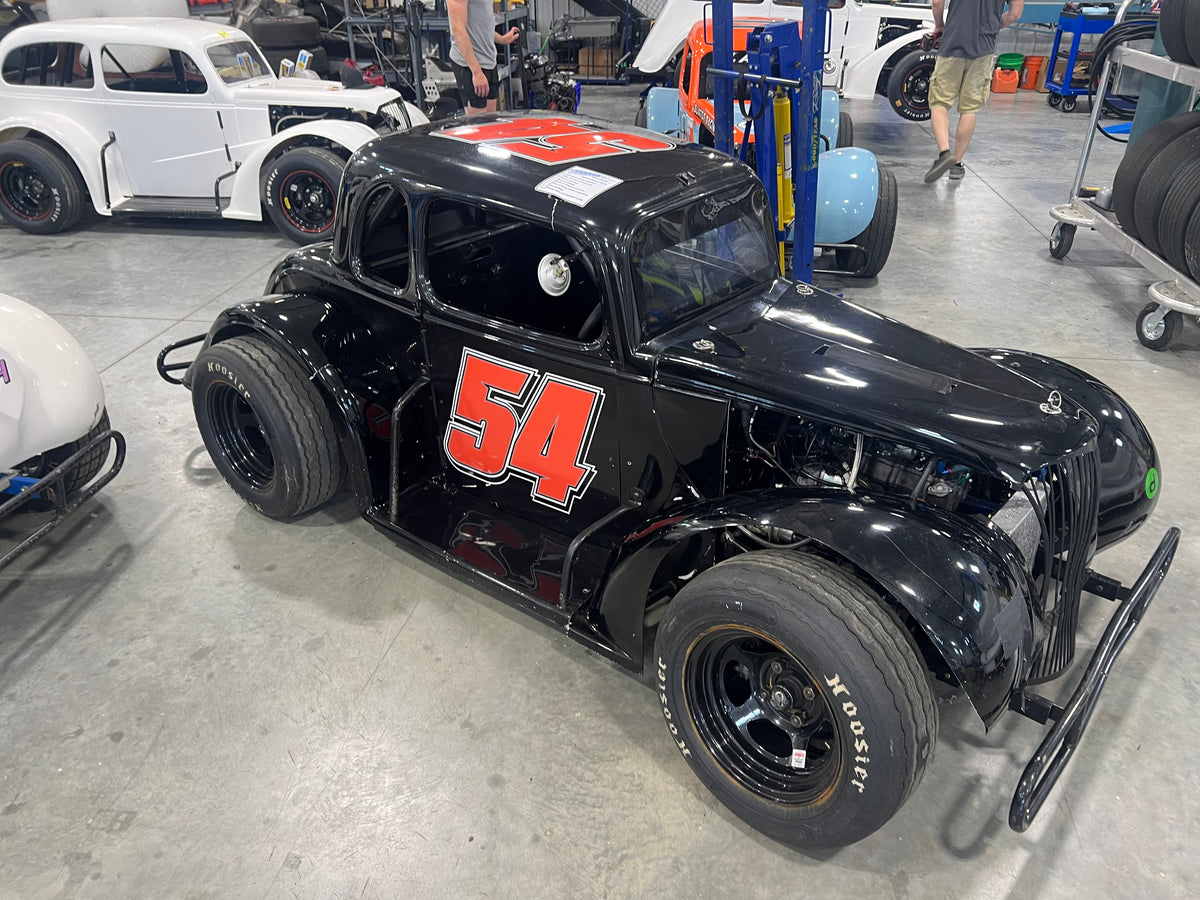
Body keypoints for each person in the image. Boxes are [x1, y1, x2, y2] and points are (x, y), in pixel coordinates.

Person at [924, 0, 1024, 182]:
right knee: (969, 109)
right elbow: (1015, 14)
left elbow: (937, 2)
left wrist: (940, 25)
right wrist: (993, 26)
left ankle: (945, 153)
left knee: (939, 103)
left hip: (953, 42)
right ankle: (957, 165)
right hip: (984, 49)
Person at [447, 0, 520, 116]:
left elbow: (479, 24)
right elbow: (458, 29)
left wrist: (501, 39)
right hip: (470, 65)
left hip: (489, 61)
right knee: (478, 126)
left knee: (489, 123)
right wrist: (477, 72)